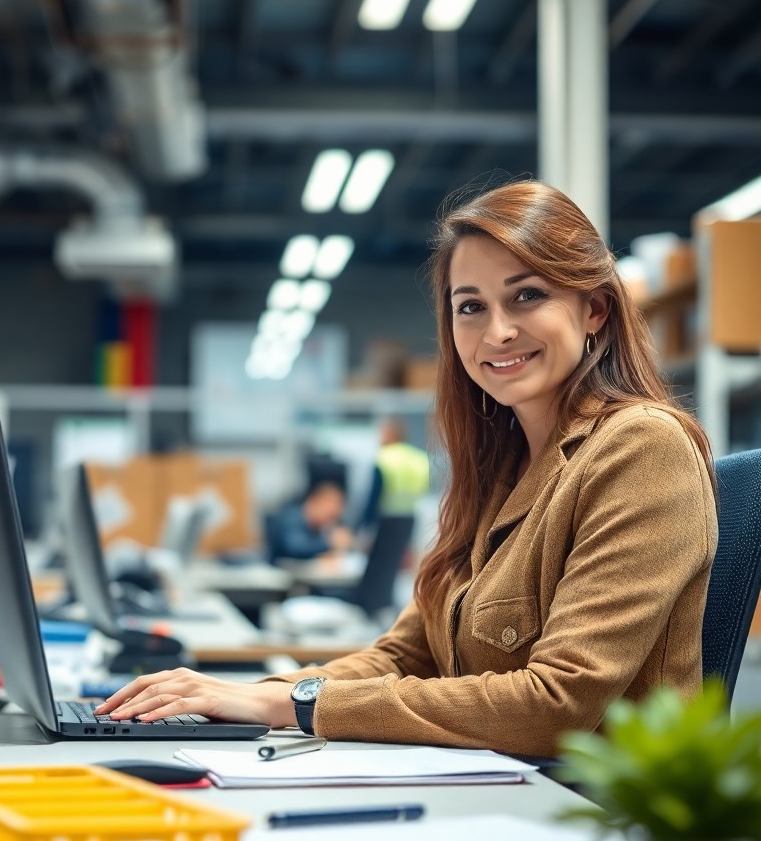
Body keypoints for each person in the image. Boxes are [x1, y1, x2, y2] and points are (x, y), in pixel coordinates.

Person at [96, 180, 718, 758]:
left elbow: (557, 704)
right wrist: (248, 695)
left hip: (591, 809)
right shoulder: (500, 472)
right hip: (509, 786)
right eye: (470, 306)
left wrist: (293, 705)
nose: (497, 331)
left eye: (528, 296)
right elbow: (404, 655)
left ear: (595, 310)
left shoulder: (640, 448)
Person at [357, 418, 430, 533]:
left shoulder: (384, 457)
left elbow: (374, 494)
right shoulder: (419, 458)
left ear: (390, 435)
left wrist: (363, 523)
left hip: (385, 517)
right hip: (409, 516)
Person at [265, 480, 354, 563]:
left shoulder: (319, 526)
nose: (331, 522)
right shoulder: (291, 517)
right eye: (329, 515)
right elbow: (296, 548)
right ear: (314, 502)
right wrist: (330, 542)